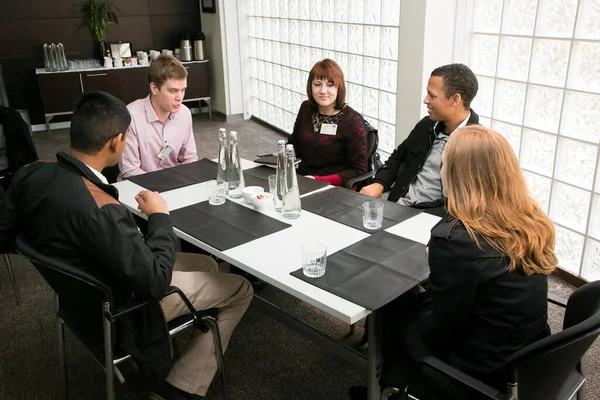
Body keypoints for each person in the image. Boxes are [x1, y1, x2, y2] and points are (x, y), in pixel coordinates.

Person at [0, 92, 253, 400]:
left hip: (81, 297)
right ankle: (181, 389)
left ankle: (189, 333)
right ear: (116, 141)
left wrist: (56, 250)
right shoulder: (104, 209)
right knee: (241, 288)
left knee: (209, 266)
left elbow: (7, 234)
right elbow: (156, 282)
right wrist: (159, 217)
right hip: (125, 308)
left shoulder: (30, 174)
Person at [350, 126, 557, 400]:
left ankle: (387, 385)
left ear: (458, 175)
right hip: (527, 358)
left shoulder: (458, 238)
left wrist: (415, 297)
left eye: (444, 164)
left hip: (476, 372)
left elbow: (438, 329)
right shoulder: (528, 219)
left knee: (389, 301)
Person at [360, 63, 479, 207]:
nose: (425, 100)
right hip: (396, 203)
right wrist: (379, 183)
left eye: (432, 95)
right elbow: (398, 158)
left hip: (429, 218)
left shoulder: (476, 145)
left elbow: (467, 203)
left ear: (455, 99)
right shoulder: (426, 125)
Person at [288, 58, 368, 187]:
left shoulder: (352, 121)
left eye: (330, 85)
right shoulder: (306, 109)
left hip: (334, 187)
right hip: (302, 179)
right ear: (310, 86)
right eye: (317, 84)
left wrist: (318, 180)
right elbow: (293, 144)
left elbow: (359, 170)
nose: (323, 91)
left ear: (339, 87)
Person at [118, 55, 199, 180]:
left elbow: (190, 158)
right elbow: (130, 171)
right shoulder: (131, 116)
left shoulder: (184, 113)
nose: (180, 97)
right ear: (154, 88)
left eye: (183, 90)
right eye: (173, 91)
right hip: (139, 187)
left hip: (174, 183)